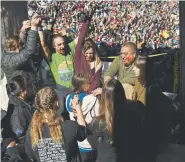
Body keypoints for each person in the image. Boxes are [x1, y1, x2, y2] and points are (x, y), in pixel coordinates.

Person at [25, 87, 87, 162]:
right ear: (57, 103)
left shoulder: (33, 130)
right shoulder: (70, 126)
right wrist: (77, 108)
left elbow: (30, 154)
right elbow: (83, 132)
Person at [66, 73, 99, 162]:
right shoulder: (92, 99)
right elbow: (98, 116)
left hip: (78, 141)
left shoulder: (68, 98)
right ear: (83, 86)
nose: (90, 83)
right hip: (91, 141)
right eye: (88, 82)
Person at [1, 13, 41, 83]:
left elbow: (19, 40)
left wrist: (23, 30)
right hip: (22, 91)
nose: (23, 46)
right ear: (17, 46)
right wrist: (34, 27)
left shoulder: (8, 55)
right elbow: (29, 50)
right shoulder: (12, 61)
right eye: (21, 45)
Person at [74, 3, 103, 92]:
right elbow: (81, 37)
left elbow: (96, 82)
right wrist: (87, 20)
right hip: (80, 93)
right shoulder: (79, 59)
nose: (88, 56)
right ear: (82, 52)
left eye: (91, 53)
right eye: (86, 53)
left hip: (92, 94)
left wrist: (97, 70)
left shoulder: (97, 63)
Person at [6, 75, 33, 144]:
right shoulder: (18, 112)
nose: (31, 88)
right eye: (29, 86)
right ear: (22, 92)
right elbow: (18, 134)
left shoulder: (21, 101)